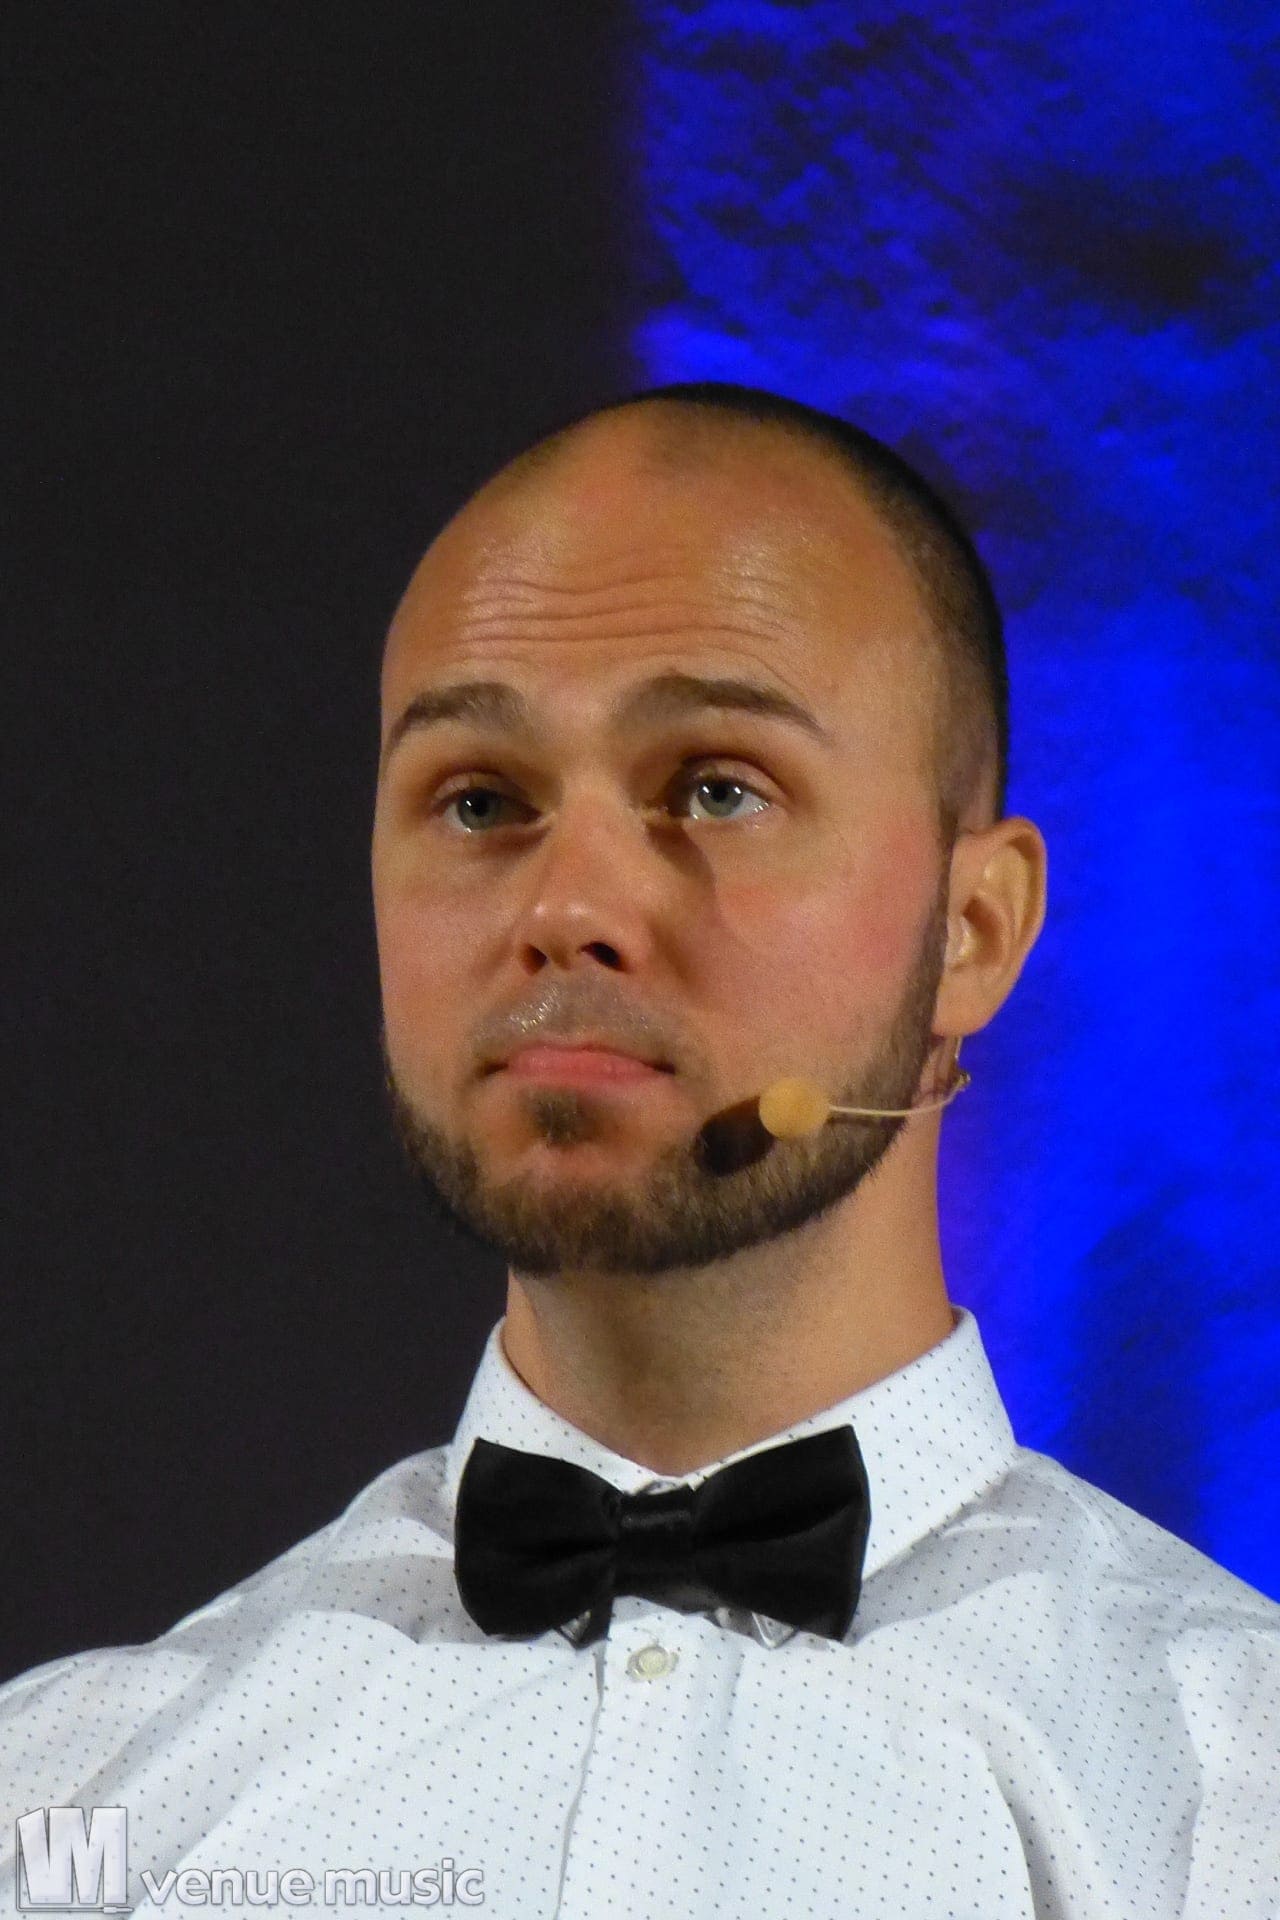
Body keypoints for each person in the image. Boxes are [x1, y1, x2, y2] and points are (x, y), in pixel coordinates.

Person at [2, 384, 1276, 1920]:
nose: (567, 907)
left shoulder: (1237, 1796)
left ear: (973, 930)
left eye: (717, 788)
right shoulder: (58, 1810)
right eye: (480, 799)